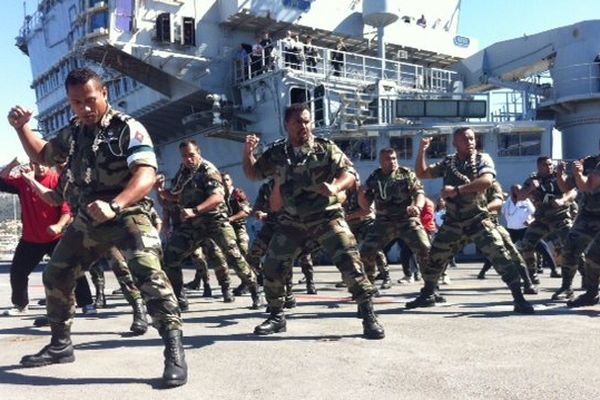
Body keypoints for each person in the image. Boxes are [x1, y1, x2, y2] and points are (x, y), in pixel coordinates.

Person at [7, 68, 187, 386]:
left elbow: (145, 174)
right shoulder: (74, 133)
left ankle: (173, 350)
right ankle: (61, 345)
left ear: (104, 93)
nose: (85, 109)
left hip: (128, 213)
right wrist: (22, 129)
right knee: (56, 274)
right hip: (89, 219)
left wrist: (115, 204)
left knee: (148, 273)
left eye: (90, 100)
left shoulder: (127, 128)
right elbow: (43, 154)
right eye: (76, 103)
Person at [243, 103, 384, 339]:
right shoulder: (277, 153)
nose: (304, 126)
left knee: (349, 260)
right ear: (287, 124)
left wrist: (335, 186)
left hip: (325, 216)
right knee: (273, 266)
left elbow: (350, 173)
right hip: (292, 220)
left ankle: (368, 313)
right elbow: (253, 173)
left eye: (307, 121)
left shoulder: (324, 148)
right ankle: (277, 315)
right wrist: (248, 152)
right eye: (299, 122)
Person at [407, 127, 534, 314]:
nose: (470, 142)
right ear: (455, 143)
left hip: (477, 218)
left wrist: (456, 191)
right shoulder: (449, 162)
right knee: (434, 257)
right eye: (465, 139)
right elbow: (422, 173)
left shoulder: (483, 159)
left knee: (500, 255)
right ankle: (428, 293)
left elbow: (486, 181)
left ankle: (519, 298)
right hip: (453, 222)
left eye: (472, 138)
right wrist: (422, 150)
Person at [161, 140, 262, 310]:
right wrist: (160, 190)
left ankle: (254, 289)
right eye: (184, 156)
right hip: (193, 224)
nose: (188, 159)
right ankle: (180, 298)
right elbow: (175, 196)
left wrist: (195, 210)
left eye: (191, 155)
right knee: (170, 256)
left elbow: (217, 198)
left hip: (215, 221)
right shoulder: (183, 173)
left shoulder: (208, 170)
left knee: (233, 257)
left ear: (198, 152)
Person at [0, 159, 95, 316]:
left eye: (43, 163)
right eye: (36, 163)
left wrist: (58, 226)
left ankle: (86, 303)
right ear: (31, 165)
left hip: (56, 238)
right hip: (30, 239)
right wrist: (13, 164)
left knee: (73, 269)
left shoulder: (56, 180)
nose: (40, 167)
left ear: (49, 164)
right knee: (18, 272)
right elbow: (1, 181)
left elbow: (66, 212)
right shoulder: (24, 181)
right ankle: (20, 304)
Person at [358, 148, 431, 291]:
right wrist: (361, 194)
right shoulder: (375, 176)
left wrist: (417, 207)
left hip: (406, 219)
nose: (392, 162)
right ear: (380, 161)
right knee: (366, 250)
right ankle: (369, 287)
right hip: (383, 221)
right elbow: (366, 206)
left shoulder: (405, 174)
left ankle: (430, 288)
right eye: (388, 159)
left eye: (394, 158)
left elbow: (419, 193)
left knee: (425, 248)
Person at [516, 156, 577, 299]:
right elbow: (520, 197)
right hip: (541, 219)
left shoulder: (559, 176)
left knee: (570, 248)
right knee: (526, 245)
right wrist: (531, 188)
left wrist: (562, 200)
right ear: (539, 167)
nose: (549, 167)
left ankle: (576, 282)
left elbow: (572, 191)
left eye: (550, 164)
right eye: (545, 165)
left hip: (560, 217)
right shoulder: (533, 179)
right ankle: (531, 278)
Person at [558, 144, 600, 308]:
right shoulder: (590, 162)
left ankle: (591, 293)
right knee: (570, 248)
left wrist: (578, 173)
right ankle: (569, 287)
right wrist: (560, 175)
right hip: (588, 215)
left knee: (593, 255)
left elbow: (587, 185)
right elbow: (568, 187)